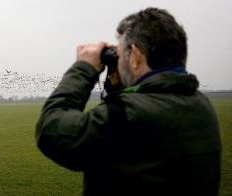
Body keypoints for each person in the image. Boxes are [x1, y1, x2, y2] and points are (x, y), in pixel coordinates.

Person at [36, 7, 221, 196]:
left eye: (121, 52)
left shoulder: (126, 115)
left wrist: (83, 68)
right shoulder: (201, 104)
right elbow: (133, 149)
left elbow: (52, 129)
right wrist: (117, 86)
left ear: (135, 56)